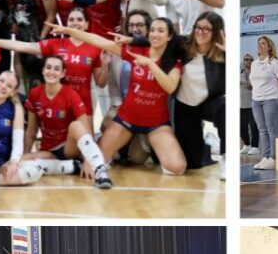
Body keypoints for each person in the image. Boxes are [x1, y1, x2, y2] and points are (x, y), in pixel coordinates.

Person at [45, 17, 187, 182]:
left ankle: (144, 145)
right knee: (92, 163)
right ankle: (113, 144)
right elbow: (101, 42)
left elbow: (170, 87)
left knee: (177, 167)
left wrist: (149, 63)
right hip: (126, 119)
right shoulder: (136, 50)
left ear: (169, 36)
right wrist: (70, 31)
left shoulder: (173, 60)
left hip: (156, 124)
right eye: (153, 30)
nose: (155, 34)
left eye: (161, 31)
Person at [0, 7, 106, 117]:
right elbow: (22, 46)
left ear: (87, 24)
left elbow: (101, 82)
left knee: (83, 145)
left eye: (79, 19)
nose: (75, 23)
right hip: (57, 105)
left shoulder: (95, 48)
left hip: (84, 104)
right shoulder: (55, 44)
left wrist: (105, 63)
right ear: (67, 23)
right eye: (71, 19)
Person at [20, 55, 96, 177]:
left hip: (69, 147)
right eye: (48, 67)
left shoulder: (70, 94)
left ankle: (79, 162)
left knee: (76, 125)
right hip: (49, 150)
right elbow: (31, 131)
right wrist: (25, 155)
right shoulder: (35, 93)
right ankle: (72, 166)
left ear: (62, 73)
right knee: (21, 161)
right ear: (43, 70)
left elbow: (86, 129)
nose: (51, 72)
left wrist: (89, 161)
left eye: (56, 69)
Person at [174, 11, 225, 172]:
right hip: (185, 104)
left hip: (209, 102)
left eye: (206, 29)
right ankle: (210, 144)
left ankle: (226, 158)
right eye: (198, 27)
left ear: (216, 32)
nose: (200, 32)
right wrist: (132, 40)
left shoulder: (221, 55)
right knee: (192, 163)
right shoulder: (182, 45)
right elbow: (157, 40)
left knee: (226, 109)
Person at [249, 36, 278, 171]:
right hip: (256, 100)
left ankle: (274, 158)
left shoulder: (275, 63)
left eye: (263, 43)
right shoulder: (254, 64)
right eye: (258, 43)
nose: (259, 45)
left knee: (272, 130)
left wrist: (275, 95)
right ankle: (265, 157)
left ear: (269, 47)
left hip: (272, 100)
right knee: (262, 130)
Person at [240, 53, 259, 156]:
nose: (248, 61)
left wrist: (245, 84)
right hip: (241, 104)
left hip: (252, 103)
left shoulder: (256, 71)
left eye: (251, 59)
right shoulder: (240, 70)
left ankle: (255, 146)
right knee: (241, 126)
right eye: (246, 59)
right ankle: (246, 145)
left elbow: (252, 85)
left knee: (253, 125)